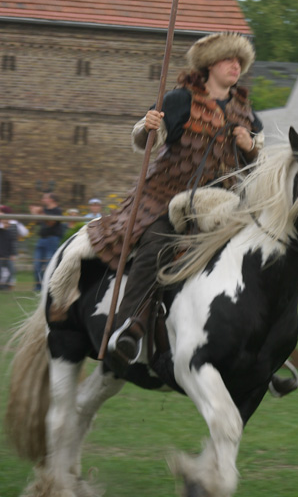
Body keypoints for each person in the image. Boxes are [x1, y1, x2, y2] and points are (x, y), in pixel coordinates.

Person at [86, 32, 264, 366]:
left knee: (259, 251)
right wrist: (148, 127)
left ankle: (262, 342)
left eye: (239, 61)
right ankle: (129, 326)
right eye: (229, 60)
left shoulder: (245, 111)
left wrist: (250, 147)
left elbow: (258, 164)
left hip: (223, 205)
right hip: (168, 196)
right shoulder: (181, 100)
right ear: (210, 65)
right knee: (156, 242)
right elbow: (146, 141)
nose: (236, 66)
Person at [30, 192, 64, 291]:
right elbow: (37, 222)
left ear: (51, 200)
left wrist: (40, 212)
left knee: (50, 264)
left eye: (45, 198)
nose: (43, 200)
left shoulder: (57, 210)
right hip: (42, 239)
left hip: (52, 240)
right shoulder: (44, 210)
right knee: (37, 264)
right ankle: (38, 287)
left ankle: (48, 286)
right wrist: (34, 212)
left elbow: (51, 223)